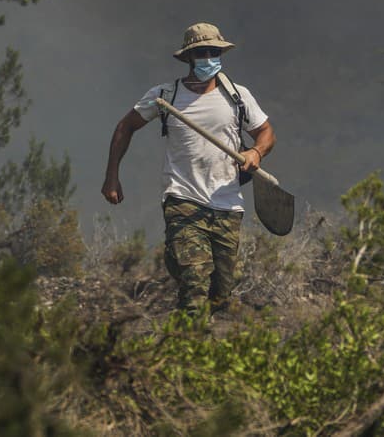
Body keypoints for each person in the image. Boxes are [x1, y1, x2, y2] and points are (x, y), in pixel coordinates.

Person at [102, 22, 276, 316]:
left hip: (227, 204)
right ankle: (184, 344)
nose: (208, 58)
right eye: (201, 53)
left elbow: (266, 132)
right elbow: (125, 126)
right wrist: (112, 177)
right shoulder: (166, 96)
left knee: (220, 293)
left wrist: (255, 152)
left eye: (213, 51)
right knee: (194, 281)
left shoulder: (237, 96)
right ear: (189, 58)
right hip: (183, 199)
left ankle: (204, 344)